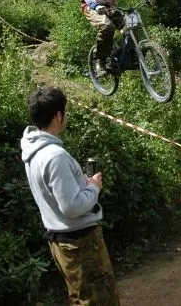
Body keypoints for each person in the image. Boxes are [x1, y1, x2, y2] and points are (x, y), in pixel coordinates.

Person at [21, 87, 120, 305]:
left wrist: (81, 183)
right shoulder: (55, 156)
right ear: (58, 115)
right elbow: (72, 207)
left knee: (80, 297)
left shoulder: (33, 152)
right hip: (81, 243)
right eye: (65, 112)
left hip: (62, 242)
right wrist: (93, 187)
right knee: (99, 299)